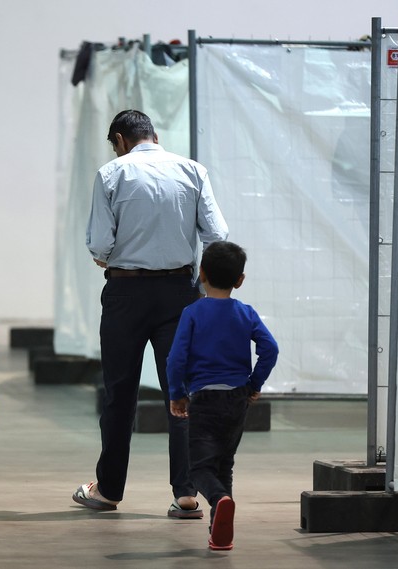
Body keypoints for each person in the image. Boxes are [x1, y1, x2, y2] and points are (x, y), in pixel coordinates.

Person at [72, 109, 229, 518]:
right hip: (180, 293)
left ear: (121, 140)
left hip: (125, 292)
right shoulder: (193, 171)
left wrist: (106, 254)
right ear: (154, 136)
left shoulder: (111, 173)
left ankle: (108, 490)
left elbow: (99, 243)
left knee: (119, 394)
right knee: (180, 394)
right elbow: (217, 234)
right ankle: (187, 493)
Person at [167, 241, 278, 550]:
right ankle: (220, 530)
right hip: (236, 399)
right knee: (224, 462)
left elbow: (175, 358)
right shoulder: (246, 312)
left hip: (204, 398)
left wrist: (177, 394)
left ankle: (219, 499)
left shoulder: (192, 313)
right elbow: (270, 349)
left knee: (200, 468)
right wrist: (254, 384)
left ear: (201, 274)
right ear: (239, 280)